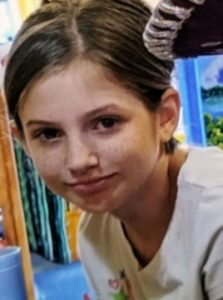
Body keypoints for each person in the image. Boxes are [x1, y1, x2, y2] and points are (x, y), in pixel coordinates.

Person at [3, 0, 223, 299]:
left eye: (106, 122)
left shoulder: (215, 215)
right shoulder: (95, 234)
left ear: (165, 116)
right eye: (49, 133)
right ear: (23, 141)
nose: (79, 160)